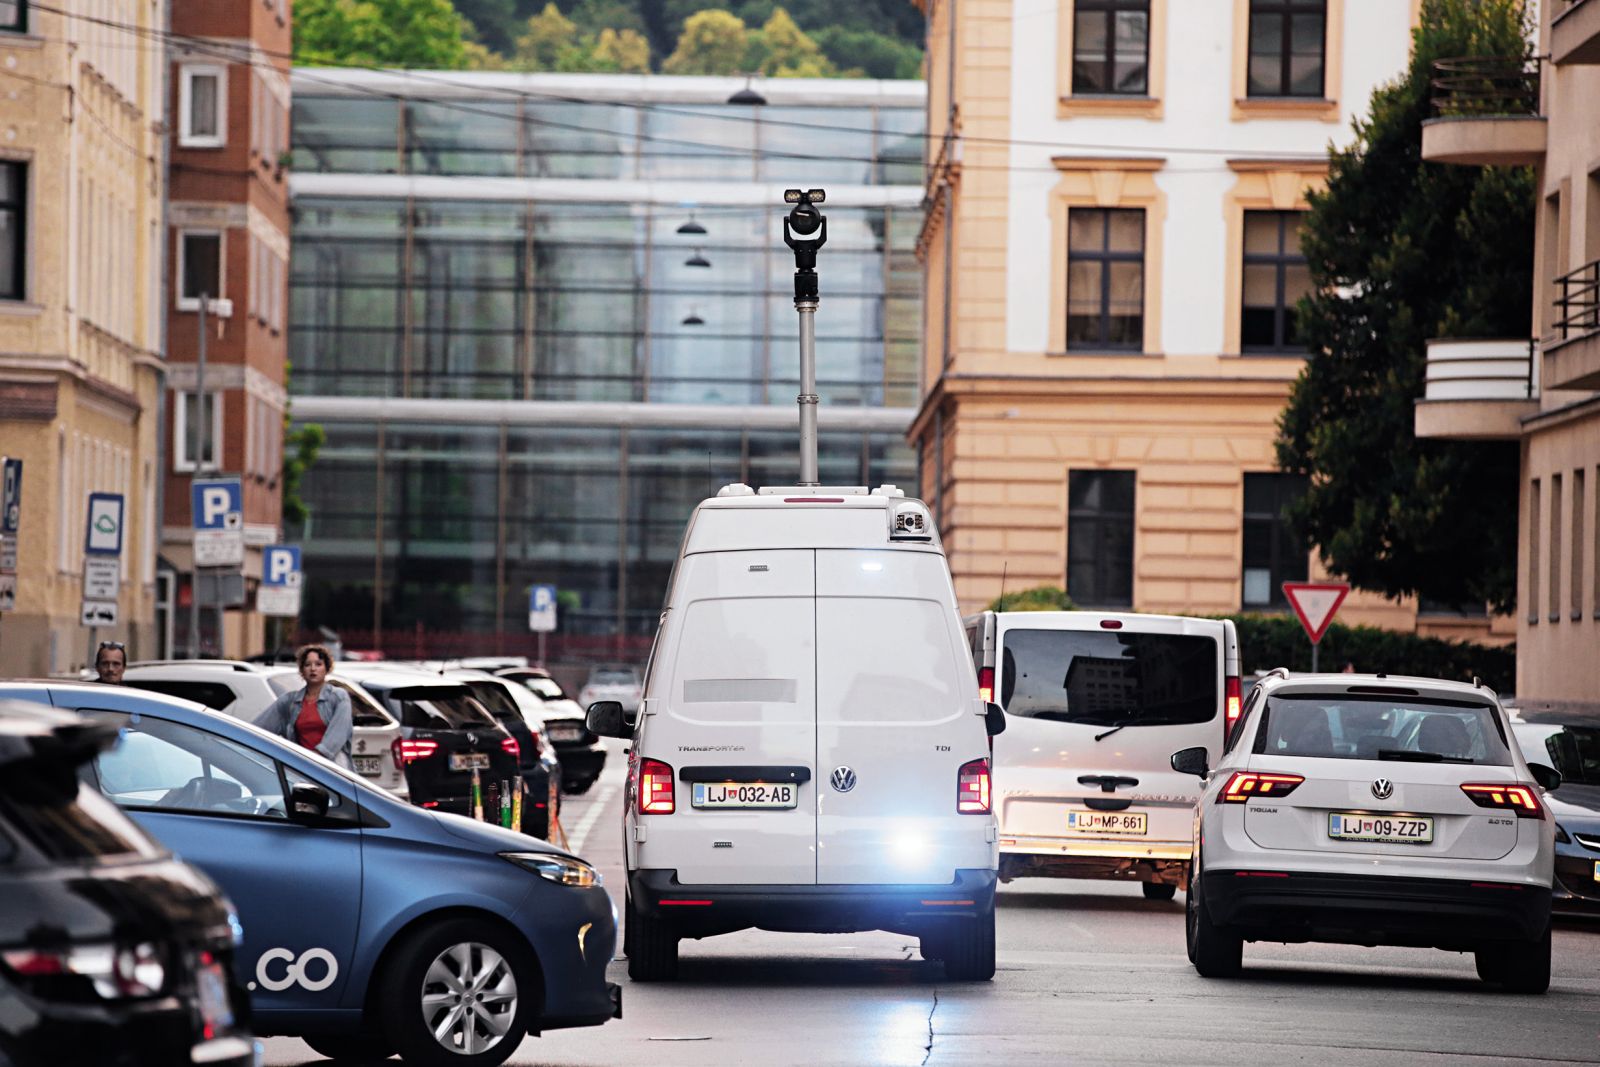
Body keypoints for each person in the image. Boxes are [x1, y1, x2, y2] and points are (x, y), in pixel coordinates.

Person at [255, 644, 353, 768]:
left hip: (332, 769)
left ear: (327, 668)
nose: (313, 669)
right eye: (307, 664)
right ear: (302, 670)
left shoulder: (339, 697)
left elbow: (337, 736)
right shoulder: (289, 701)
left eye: (318, 664)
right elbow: (258, 730)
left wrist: (315, 757)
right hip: (302, 769)